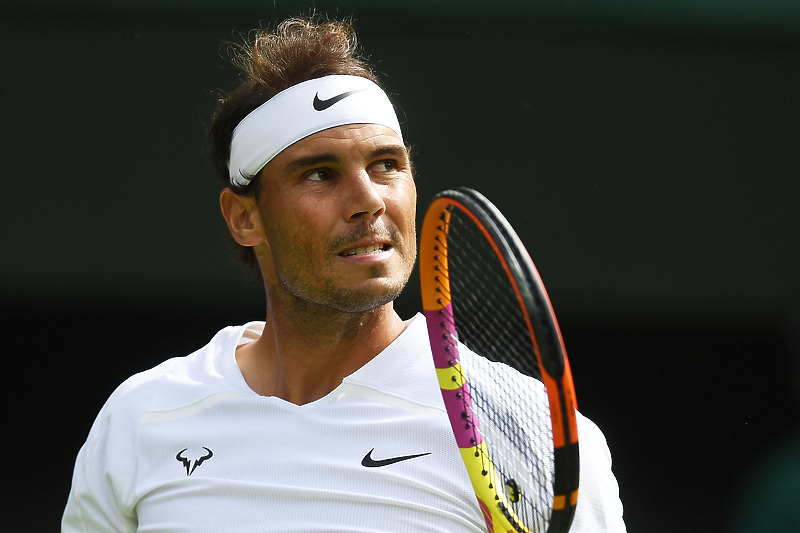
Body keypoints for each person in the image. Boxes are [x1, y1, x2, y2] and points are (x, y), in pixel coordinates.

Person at [62, 15, 626, 532]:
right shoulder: (142, 418)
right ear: (244, 218)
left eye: (386, 165)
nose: (367, 201)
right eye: (319, 174)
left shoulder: (532, 434)